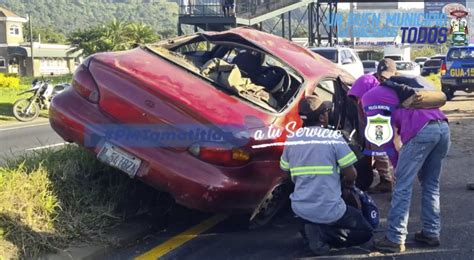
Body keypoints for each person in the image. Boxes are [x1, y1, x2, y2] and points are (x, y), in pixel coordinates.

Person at [361, 59, 451, 253]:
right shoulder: (411, 85)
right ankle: (431, 232)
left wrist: (395, 164)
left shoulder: (369, 98)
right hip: (443, 128)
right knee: (431, 184)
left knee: (402, 185)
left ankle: (395, 238)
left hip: (422, 132)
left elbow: (382, 136)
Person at [280, 95, 373, 256]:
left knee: (314, 217)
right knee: (365, 231)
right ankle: (322, 233)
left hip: (300, 207)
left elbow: (285, 171)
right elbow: (351, 174)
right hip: (329, 208)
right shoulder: (333, 138)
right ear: (322, 116)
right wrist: (346, 185)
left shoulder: (291, 139)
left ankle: (310, 228)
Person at [348, 61, 395, 193]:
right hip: (374, 120)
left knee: (381, 151)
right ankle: (385, 179)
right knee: (378, 150)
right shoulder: (367, 80)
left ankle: (386, 180)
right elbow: (354, 100)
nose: (383, 79)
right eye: (382, 76)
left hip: (383, 120)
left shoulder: (394, 83)